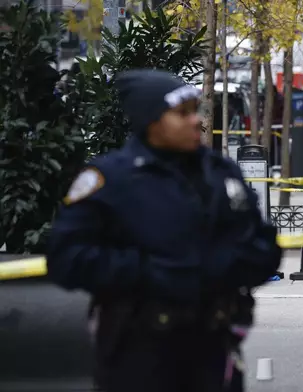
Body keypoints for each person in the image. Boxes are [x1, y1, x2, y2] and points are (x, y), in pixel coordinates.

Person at [46, 69, 283, 392]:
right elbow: (66, 256)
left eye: (195, 111)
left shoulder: (219, 173)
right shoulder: (111, 178)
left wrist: (223, 266)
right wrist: (147, 271)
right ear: (151, 121)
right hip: (139, 351)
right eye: (181, 113)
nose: (194, 121)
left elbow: (261, 244)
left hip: (212, 346)